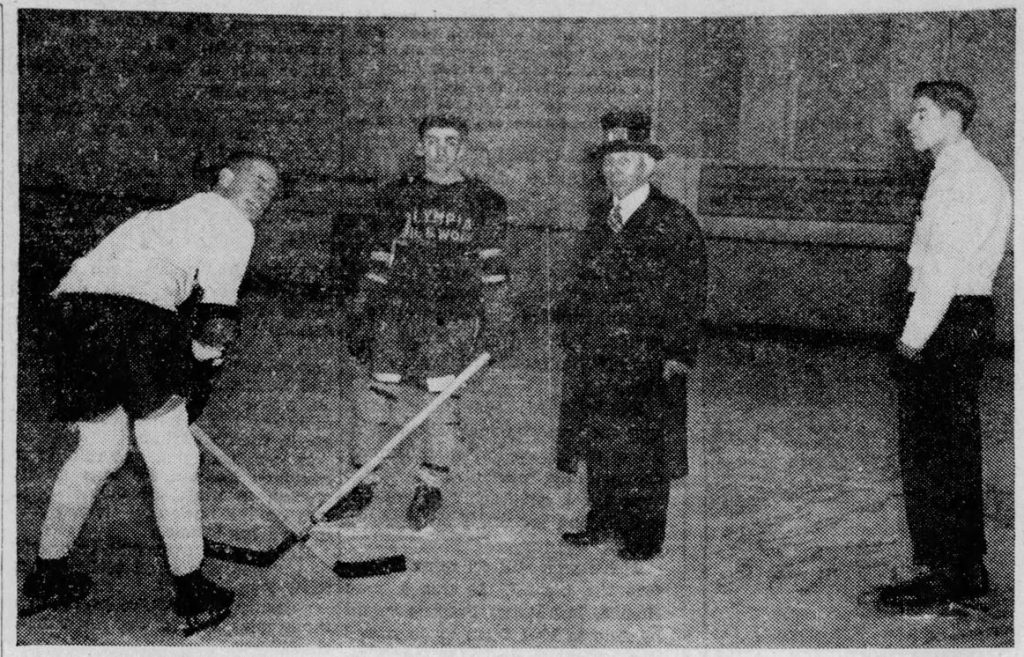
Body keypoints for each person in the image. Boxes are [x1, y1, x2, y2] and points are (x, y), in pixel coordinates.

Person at [21, 152, 279, 635]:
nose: (264, 194)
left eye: (273, 190)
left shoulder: (153, 219)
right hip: (132, 320)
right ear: (224, 179)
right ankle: (191, 590)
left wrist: (184, 366)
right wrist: (200, 367)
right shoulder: (230, 220)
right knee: (172, 456)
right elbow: (218, 317)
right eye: (258, 180)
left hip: (67, 320)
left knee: (100, 449)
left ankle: (46, 573)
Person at [863, 81, 1012, 614]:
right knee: (945, 450)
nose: (911, 125)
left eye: (922, 115)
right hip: (958, 319)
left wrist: (909, 340)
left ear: (952, 120)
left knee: (935, 452)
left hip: (945, 321)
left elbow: (942, 271)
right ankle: (956, 569)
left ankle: (950, 575)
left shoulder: (962, 180)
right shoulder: (960, 173)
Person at [326, 115, 511, 530]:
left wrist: (499, 319)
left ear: (463, 150)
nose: (441, 150)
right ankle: (361, 482)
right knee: (376, 397)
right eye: (432, 141)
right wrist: (362, 308)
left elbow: (494, 271)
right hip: (397, 312)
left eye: (451, 143)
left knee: (440, 405)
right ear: (419, 148)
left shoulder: (485, 201)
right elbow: (378, 259)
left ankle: (430, 485)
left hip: (452, 319)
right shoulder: (395, 196)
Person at [554, 110, 707, 561]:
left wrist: (677, 352)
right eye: (607, 161)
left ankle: (643, 536)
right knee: (601, 436)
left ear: (648, 166)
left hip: (647, 356)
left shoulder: (674, 221)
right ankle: (601, 520)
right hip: (600, 352)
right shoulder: (602, 221)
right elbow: (583, 285)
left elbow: (690, 292)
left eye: (623, 160)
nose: (611, 169)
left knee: (644, 446)